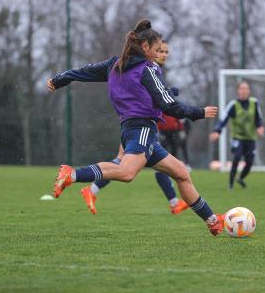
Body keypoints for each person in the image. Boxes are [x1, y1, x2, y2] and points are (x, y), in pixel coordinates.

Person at [47, 19, 224, 236]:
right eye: (158, 49)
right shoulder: (148, 68)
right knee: (126, 172)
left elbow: (83, 71)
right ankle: (72, 175)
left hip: (135, 129)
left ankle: (213, 221)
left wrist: (60, 79)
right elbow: (169, 105)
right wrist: (199, 112)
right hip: (141, 128)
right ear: (146, 47)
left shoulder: (114, 64)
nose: (161, 54)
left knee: (181, 173)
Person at [79, 43, 188, 215]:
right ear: (150, 50)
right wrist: (172, 92)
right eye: (160, 51)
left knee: (155, 164)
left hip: (147, 125)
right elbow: (149, 94)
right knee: (124, 163)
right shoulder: (144, 68)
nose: (164, 55)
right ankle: (89, 188)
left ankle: (174, 202)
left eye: (166, 52)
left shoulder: (154, 69)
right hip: (137, 125)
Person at [209, 81, 264, 190]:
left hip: (251, 138)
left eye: (246, 89)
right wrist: (217, 131)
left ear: (249, 91)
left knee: (249, 161)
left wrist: (260, 127)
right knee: (237, 156)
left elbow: (259, 118)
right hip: (237, 137)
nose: (244, 91)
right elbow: (223, 119)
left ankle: (241, 178)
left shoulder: (254, 103)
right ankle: (231, 184)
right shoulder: (233, 105)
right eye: (242, 88)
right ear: (238, 91)